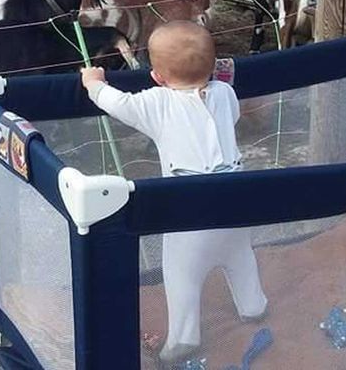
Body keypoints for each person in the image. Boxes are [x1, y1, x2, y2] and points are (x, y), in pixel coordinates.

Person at [80, 21, 267, 365]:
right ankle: (253, 305)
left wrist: (94, 83)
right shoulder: (225, 94)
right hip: (237, 201)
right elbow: (234, 114)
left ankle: (184, 338)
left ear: (157, 76)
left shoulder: (157, 103)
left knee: (181, 271)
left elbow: (118, 103)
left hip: (189, 210)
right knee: (241, 256)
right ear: (212, 68)